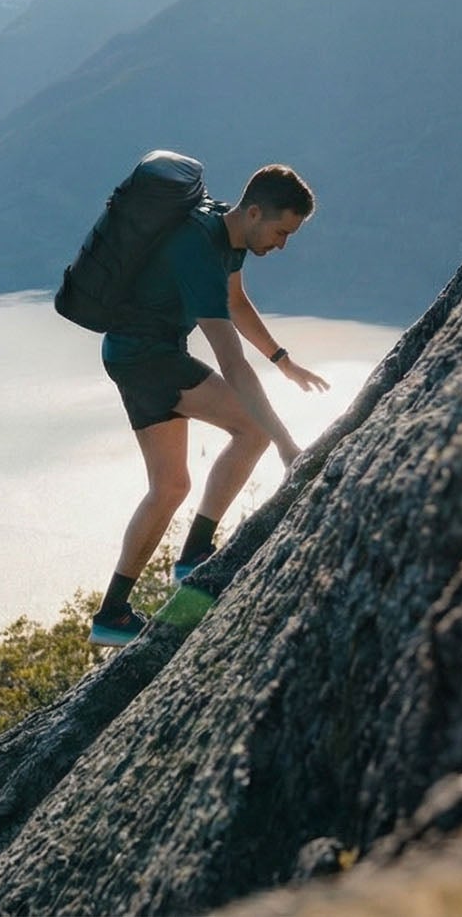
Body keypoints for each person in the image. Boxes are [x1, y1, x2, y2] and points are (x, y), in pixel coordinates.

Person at [89, 164, 328, 645]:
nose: (281, 245)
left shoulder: (227, 231)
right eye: (281, 232)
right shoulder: (197, 247)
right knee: (254, 429)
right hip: (149, 357)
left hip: (132, 354)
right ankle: (194, 556)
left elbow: (236, 303)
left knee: (170, 485)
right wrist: (286, 445)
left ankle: (110, 616)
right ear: (255, 212)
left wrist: (282, 360)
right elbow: (232, 364)